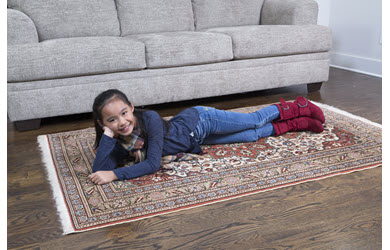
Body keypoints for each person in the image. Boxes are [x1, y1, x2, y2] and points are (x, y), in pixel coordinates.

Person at [89, 89, 325, 185]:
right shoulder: (118, 140)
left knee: (253, 120)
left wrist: (115, 174)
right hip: (196, 141)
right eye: (112, 120)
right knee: (252, 136)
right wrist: (107, 138)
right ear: (102, 124)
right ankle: (296, 123)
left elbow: (151, 165)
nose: (121, 122)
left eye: (124, 113)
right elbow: (99, 169)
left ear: (131, 107)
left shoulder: (148, 118)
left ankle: (298, 106)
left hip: (201, 120)